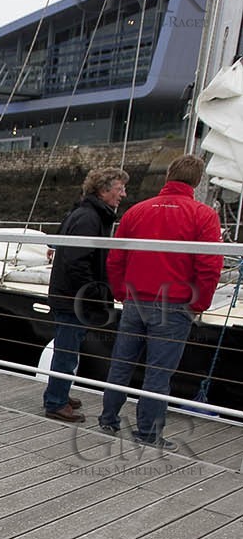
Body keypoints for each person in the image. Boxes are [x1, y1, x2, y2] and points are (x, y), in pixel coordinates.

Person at [98, 153, 223, 446]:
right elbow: (209, 266)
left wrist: (121, 292)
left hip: (135, 300)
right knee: (158, 373)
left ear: (168, 176)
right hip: (174, 304)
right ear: (197, 181)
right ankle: (148, 432)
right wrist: (199, 304)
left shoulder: (137, 211)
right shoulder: (203, 215)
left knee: (122, 363)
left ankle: (108, 419)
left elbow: (115, 258)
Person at [42, 167, 128, 423]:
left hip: (70, 296)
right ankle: (56, 401)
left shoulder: (84, 212)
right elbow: (76, 261)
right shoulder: (89, 218)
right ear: (103, 190)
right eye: (119, 188)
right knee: (67, 350)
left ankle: (59, 392)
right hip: (73, 298)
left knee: (68, 348)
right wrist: (94, 292)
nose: (123, 194)